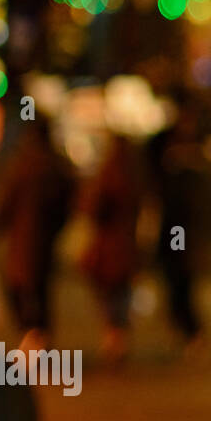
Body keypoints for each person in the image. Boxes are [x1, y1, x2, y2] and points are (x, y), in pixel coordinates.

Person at [0, 120, 74, 351]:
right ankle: (39, 336)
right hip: (45, 241)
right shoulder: (56, 166)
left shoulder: (22, 166)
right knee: (40, 289)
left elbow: (5, 204)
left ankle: (32, 335)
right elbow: (69, 203)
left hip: (21, 241)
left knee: (20, 288)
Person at [145, 100, 209, 355]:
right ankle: (186, 333)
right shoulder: (170, 159)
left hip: (182, 236)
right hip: (173, 234)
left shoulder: (186, 162)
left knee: (182, 287)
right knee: (176, 286)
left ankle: (192, 334)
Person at [78, 133, 143, 364]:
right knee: (121, 293)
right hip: (127, 246)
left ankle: (113, 339)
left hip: (108, 247)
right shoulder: (135, 177)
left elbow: (93, 209)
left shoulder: (107, 176)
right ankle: (119, 338)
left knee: (109, 295)